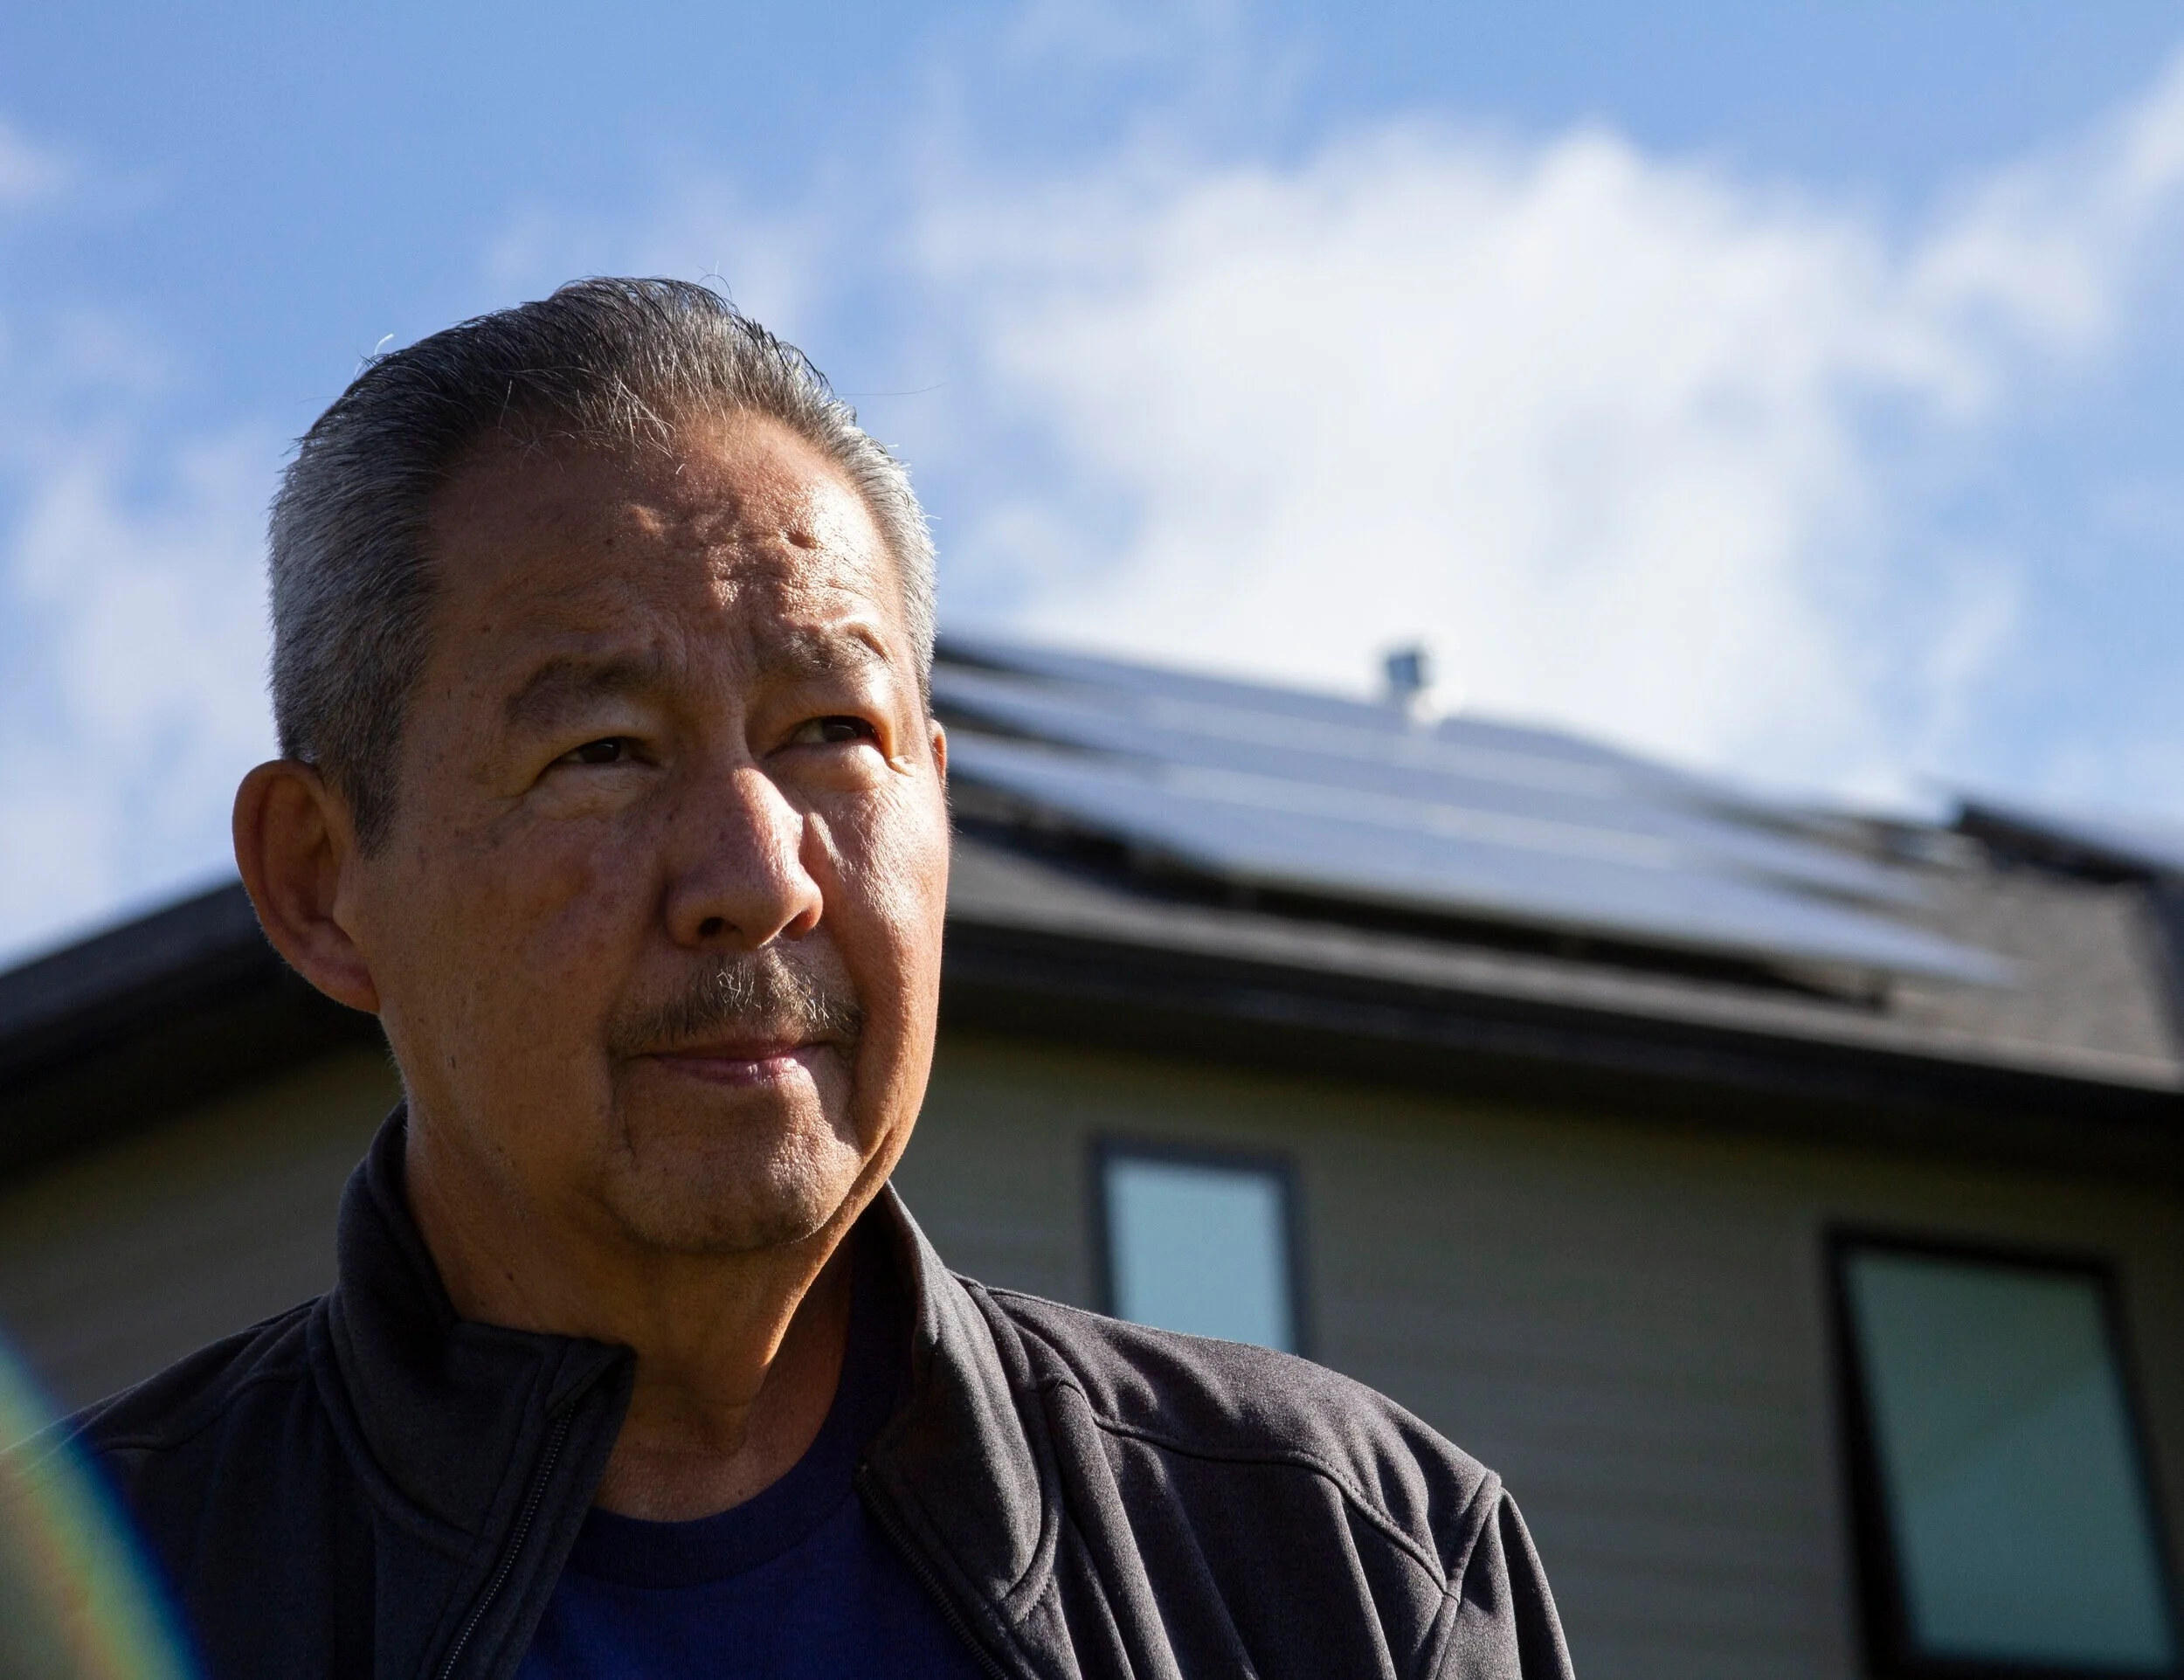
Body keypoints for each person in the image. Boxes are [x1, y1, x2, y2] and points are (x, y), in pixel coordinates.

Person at [17, 280, 1573, 1678]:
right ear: (317, 879)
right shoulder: (77, 1611)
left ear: (938, 803)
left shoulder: (1345, 1570)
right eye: (602, 752)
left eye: (832, 733)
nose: (759, 877)